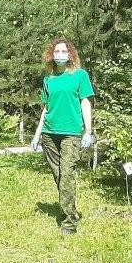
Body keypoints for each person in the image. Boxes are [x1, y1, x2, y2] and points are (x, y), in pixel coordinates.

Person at [30, 37, 95, 235]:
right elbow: (46, 108)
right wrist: (36, 134)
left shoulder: (80, 75)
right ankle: (68, 207)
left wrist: (88, 131)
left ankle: (69, 221)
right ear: (51, 55)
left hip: (72, 133)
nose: (60, 55)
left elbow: (86, 102)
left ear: (70, 55)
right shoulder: (48, 79)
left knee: (67, 175)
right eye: (56, 52)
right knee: (58, 174)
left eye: (64, 52)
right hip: (49, 134)